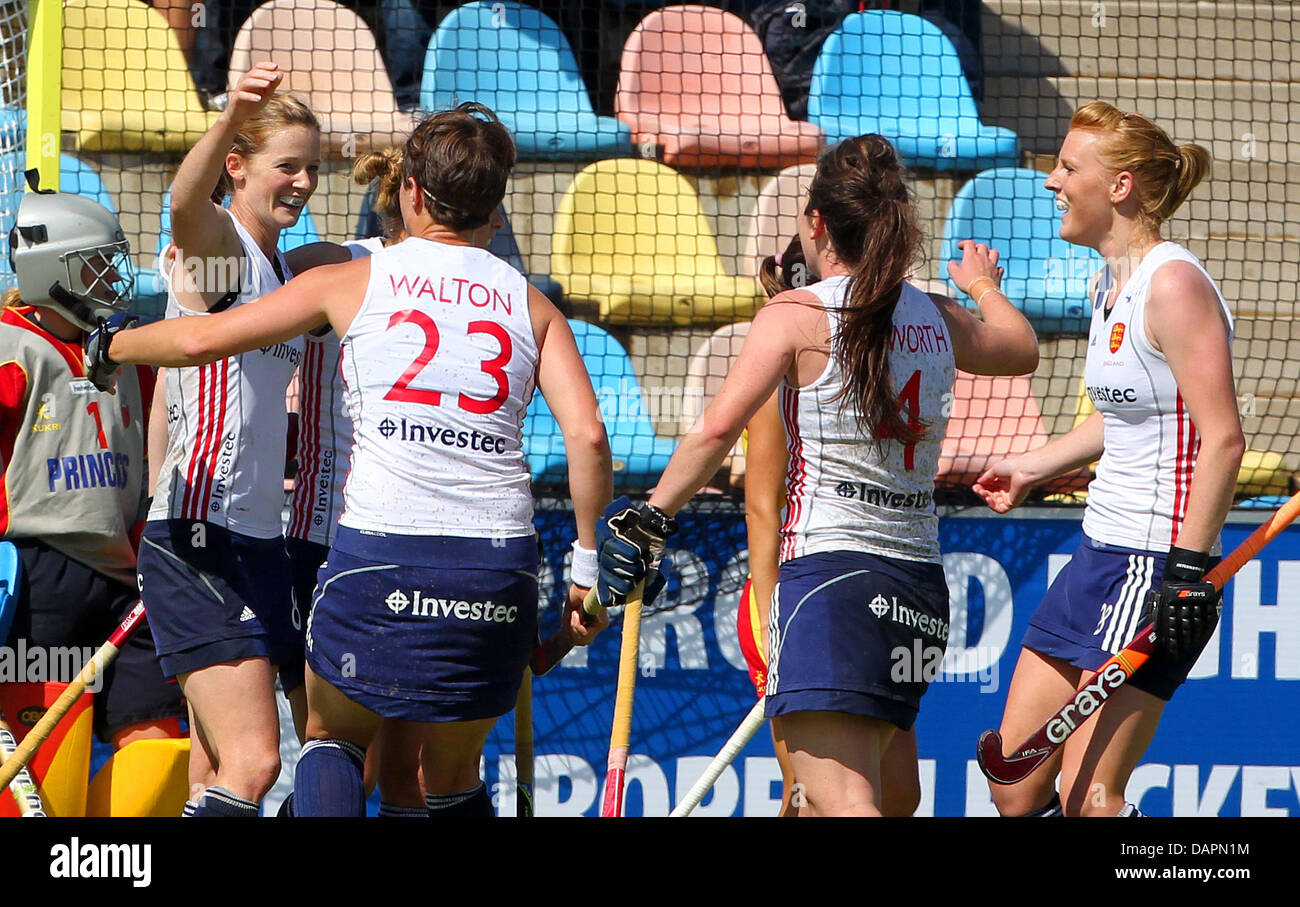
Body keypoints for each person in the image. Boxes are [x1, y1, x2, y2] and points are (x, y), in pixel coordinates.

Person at [87, 101, 614, 817]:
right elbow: (586, 437)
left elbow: (193, 342)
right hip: (486, 559)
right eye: (290, 166)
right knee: (422, 775)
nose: (304, 181)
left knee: (327, 746)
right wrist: (587, 570)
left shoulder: (342, 275)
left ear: (411, 192)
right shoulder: (531, 302)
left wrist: (108, 345)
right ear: (497, 209)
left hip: (364, 548)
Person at [593, 134, 1040, 816]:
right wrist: (981, 284)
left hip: (831, 585)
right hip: (917, 590)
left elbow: (716, 429)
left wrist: (651, 515)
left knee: (840, 803)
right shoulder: (934, 313)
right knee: (892, 799)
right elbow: (1021, 348)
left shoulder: (796, 315)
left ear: (815, 222)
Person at [972, 102, 1237, 818]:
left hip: (1156, 563)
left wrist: (1185, 572)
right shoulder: (1106, 282)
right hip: (1099, 552)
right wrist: (1034, 462)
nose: (1052, 181)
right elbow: (1127, 420)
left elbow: (1224, 437)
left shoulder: (1173, 286)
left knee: (1092, 797)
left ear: (1119, 186)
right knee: (1015, 785)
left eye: (1067, 167)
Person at [138, 61, 321, 816]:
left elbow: (165, 409)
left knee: (217, 768)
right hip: (199, 538)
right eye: (289, 166)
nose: (305, 182)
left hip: (255, 542)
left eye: (314, 167)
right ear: (238, 168)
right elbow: (183, 201)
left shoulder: (281, 267)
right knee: (255, 762)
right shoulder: (224, 252)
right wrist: (226, 118)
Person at [739, 235, 922, 817]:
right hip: (799, 597)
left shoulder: (878, 355)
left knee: (896, 797)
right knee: (815, 797)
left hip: (873, 587)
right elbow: (762, 507)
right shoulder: (781, 365)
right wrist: (774, 624)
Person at [1, 187, 184, 749]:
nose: (113, 277)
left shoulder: (126, 349)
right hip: (39, 577)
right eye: (97, 266)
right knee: (48, 762)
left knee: (156, 749)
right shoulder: (11, 348)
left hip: (127, 577)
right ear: (52, 272)